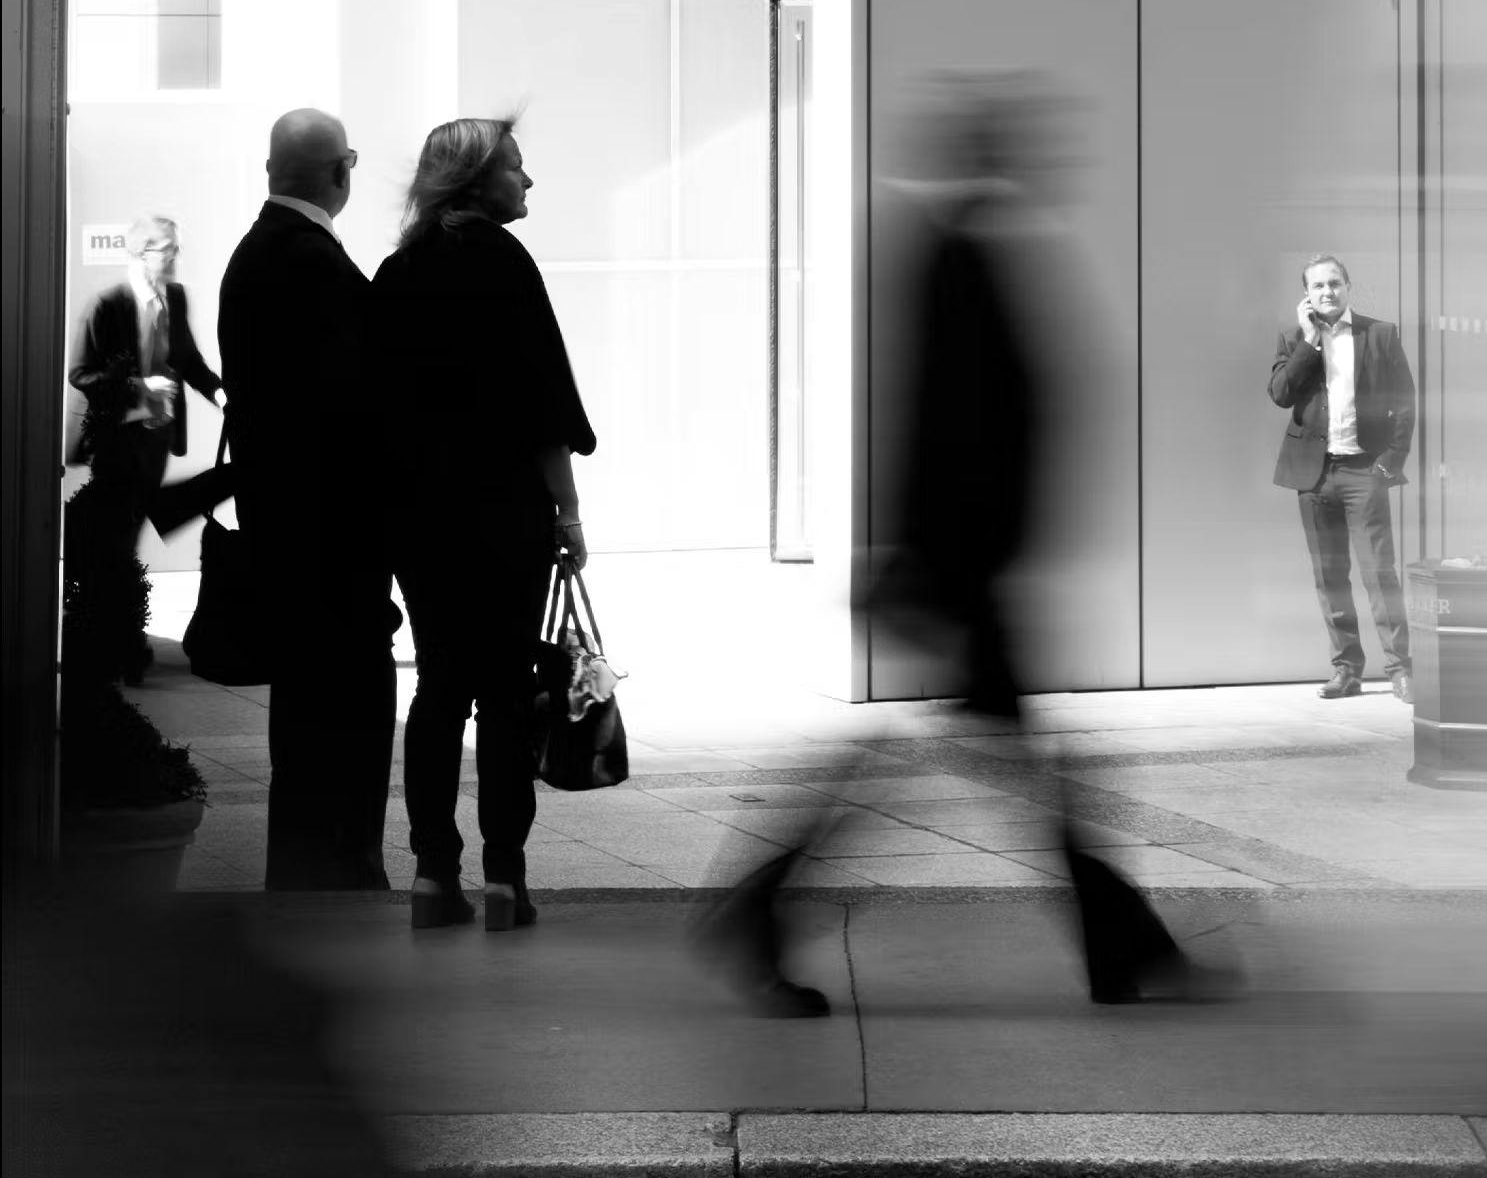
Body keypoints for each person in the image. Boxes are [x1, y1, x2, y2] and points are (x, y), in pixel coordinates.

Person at [695, 73, 1235, 1016]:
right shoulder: (956, 252)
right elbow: (944, 421)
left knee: (999, 764)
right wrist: (927, 558)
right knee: (1021, 768)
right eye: (1024, 146)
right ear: (987, 152)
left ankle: (760, 908)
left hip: (963, 562)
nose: (1048, 164)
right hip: (962, 565)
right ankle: (1120, 951)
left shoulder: (966, 245)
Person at [372, 118, 594, 933]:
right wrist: (568, 509)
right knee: (505, 694)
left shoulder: (400, 269)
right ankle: (506, 881)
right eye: (516, 169)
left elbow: (378, 406)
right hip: (505, 510)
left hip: (422, 516)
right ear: (477, 180)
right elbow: (543, 399)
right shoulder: (503, 262)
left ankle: (433, 874)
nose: (527, 182)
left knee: (438, 689)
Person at [218, 108, 401, 890]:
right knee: (346, 719)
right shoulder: (310, 262)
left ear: (269, 171)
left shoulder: (255, 254)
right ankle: (340, 873)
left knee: (302, 729)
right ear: (342, 171)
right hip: (332, 548)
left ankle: (305, 872)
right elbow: (350, 411)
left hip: (284, 536)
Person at [67, 214, 225, 683]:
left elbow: (188, 360)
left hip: (156, 441)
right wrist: (140, 386)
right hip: (115, 440)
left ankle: (119, 642)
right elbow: (82, 373)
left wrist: (219, 393)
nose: (175, 257)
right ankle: (124, 646)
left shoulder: (174, 298)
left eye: (176, 248)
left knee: (127, 537)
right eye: (166, 249)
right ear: (141, 254)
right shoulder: (108, 304)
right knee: (117, 541)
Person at [1268, 254, 1416, 702]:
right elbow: (1280, 394)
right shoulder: (1294, 337)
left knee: (1379, 574)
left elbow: (1406, 403)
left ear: (1348, 287)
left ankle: (1400, 669)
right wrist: (1310, 343)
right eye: (1318, 287)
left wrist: (1389, 463)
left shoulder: (1381, 334)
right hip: (1313, 476)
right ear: (1306, 295)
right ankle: (1347, 671)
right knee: (1329, 577)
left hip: (1363, 471)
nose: (1327, 292)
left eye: (1334, 284)